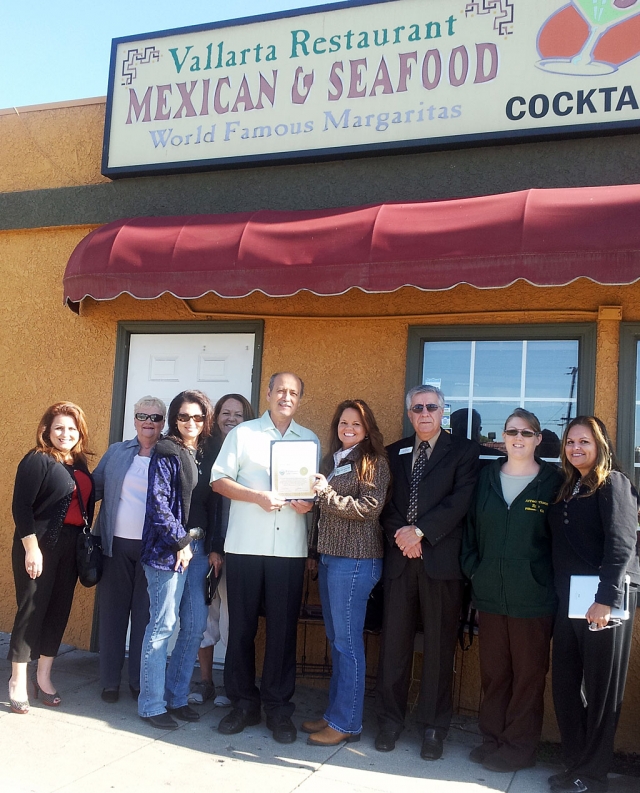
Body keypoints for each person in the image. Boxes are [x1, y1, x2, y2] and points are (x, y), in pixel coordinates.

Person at [211, 372, 319, 744]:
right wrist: (256, 497)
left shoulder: (310, 439)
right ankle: (242, 704)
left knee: (282, 632)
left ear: (299, 399)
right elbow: (218, 480)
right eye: (280, 390)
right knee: (240, 629)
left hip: (288, 551)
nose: (286, 397)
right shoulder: (243, 434)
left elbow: (311, 492)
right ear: (269, 394)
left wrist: (308, 504)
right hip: (244, 546)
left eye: (294, 392)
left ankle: (277, 708)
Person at [375, 385, 479, 760]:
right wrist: (402, 536)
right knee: (394, 648)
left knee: (438, 649)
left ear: (443, 411)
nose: (424, 413)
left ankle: (434, 727)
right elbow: (383, 503)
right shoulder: (394, 452)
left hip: (441, 564)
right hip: (401, 563)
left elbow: (460, 501)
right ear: (409, 412)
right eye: (417, 407)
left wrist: (420, 532)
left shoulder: (465, 452)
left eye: (431, 407)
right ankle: (390, 720)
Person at [461, 408, 562, 772]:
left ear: (538, 439)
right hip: (489, 595)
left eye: (526, 432)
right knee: (495, 672)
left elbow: (561, 543)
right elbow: (470, 532)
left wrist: (543, 581)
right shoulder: (486, 478)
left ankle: (519, 747)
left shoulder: (553, 482)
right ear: (502, 438)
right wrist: (476, 571)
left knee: (528, 676)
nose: (518, 438)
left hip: (532, 599)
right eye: (511, 432)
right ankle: (492, 739)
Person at [547, 417, 640, 793]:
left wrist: (606, 600)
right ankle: (575, 764)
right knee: (566, 686)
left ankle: (594, 775)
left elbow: (622, 544)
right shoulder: (568, 488)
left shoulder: (612, 484)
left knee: (601, 690)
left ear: (600, 445)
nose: (576, 448)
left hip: (606, 602)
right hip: (569, 602)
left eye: (584, 441)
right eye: (570, 442)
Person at [303, 399, 390, 746]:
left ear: (367, 428)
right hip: (329, 559)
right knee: (338, 641)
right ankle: (334, 715)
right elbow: (321, 515)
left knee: (348, 644)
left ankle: (347, 724)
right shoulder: (334, 460)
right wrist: (313, 551)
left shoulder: (374, 463)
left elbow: (368, 509)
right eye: (343, 423)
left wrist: (323, 493)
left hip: (356, 561)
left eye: (356, 424)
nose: (348, 429)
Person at [8, 402, 94, 713]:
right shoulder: (37, 460)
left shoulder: (80, 465)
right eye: (59, 427)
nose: (65, 433)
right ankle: (18, 679)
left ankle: (43, 677)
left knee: (58, 610)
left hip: (70, 549)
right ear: (47, 430)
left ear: (79, 433)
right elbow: (21, 508)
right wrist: (32, 549)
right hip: (40, 545)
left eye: (72, 428)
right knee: (32, 610)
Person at [138, 389, 214, 729]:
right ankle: (152, 705)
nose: (190, 422)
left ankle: (177, 697)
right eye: (183, 416)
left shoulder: (204, 453)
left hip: (198, 550)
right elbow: (159, 504)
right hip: (167, 552)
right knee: (162, 625)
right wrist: (180, 541)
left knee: (195, 625)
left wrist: (212, 546)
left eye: (197, 416)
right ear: (174, 418)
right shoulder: (167, 450)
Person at [92, 395, 166, 703]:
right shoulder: (117, 452)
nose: (148, 422)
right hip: (115, 546)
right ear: (134, 420)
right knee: (112, 615)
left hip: (152, 551)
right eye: (142, 416)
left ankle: (138, 680)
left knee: (145, 619)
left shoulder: (169, 455)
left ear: (163, 423)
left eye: (155, 417)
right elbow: (92, 487)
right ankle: (110, 681)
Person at [189, 393, 254, 707]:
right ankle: (205, 682)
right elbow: (207, 504)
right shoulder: (209, 450)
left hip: (242, 548)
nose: (231, 418)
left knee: (232, 621)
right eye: (225, 413)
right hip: (213, 546)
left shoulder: (253, 450)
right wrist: (214, 547)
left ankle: (233, 684)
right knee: (205, 617)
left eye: (238, 414)